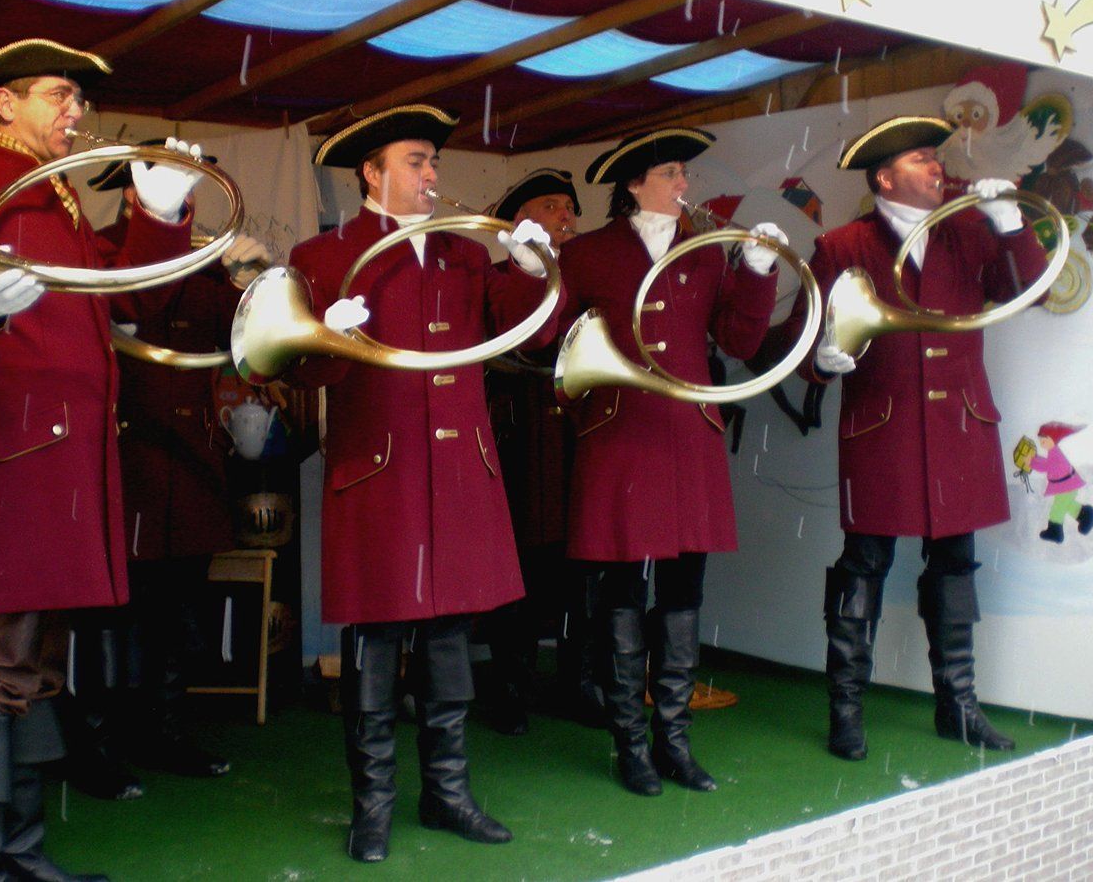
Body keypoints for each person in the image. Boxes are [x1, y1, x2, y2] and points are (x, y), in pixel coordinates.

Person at [0, 39, 199, 881]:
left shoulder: (55, 193)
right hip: (7, 457)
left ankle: (16, 852)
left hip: (58, 462)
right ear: (5, 101)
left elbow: (130, 298)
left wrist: (156, 214)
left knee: (32, 663)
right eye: (59, 94)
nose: (76, 111)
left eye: (79, 98)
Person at [285, 104, 560, 862]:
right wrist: (328, 336)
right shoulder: (322, 253)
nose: (432, 173)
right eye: (416, 160)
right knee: (374, 643)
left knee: (447, 641)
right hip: (379, 470)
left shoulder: (465, 253)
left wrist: (530, 270)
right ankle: (371, 806)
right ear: (371, 171)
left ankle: (447, 794)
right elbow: (295, 369)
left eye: (434, 160)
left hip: (458, 469)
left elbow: (529, 332)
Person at [792, 115, 1048, 762]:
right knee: (862, 565)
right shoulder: (842, 244)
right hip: (882, 427)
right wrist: (822, 357)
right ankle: (845, 708)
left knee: (955, 565)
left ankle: (957, 705)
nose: (937, 167)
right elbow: (802, 341)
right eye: (920, 159)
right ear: (883, 178)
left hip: (959, 424)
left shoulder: (969, 231)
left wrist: (1011, 225)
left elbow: (1029, 293)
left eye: (935, 157)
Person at [559, 128, 783, 796]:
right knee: (623, 591)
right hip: (619, 433)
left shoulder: (707, 250)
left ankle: (674, 743)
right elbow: (551, 344)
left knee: (685, 589)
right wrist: (530, 268)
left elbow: (738, 340)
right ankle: (630, 744)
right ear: (634, 184)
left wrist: (757, 271)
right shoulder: (586, 252)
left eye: (684, 173)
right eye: (670, 173)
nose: (684, 185)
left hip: (689, 435)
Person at [55, 150, 271, 800]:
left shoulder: (206, 261)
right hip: (125, 462)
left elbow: (249, 345)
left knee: (176, 612)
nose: (187, 200)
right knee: (106, 614)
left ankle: (163, 731)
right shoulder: (100, 252)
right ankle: (93, 745)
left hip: (190, 463)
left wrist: (252, 284)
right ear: (134, 193)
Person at [480, 168, 604, 735]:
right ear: (520, 219)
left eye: (569, 207)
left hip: (584, 436)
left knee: (586, 568)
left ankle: (580, 684)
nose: (566, 216)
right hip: (522, 438)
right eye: (551, 205)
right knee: (519, 568)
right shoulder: (494, 278)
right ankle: (511, 687)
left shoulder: (589, 277)